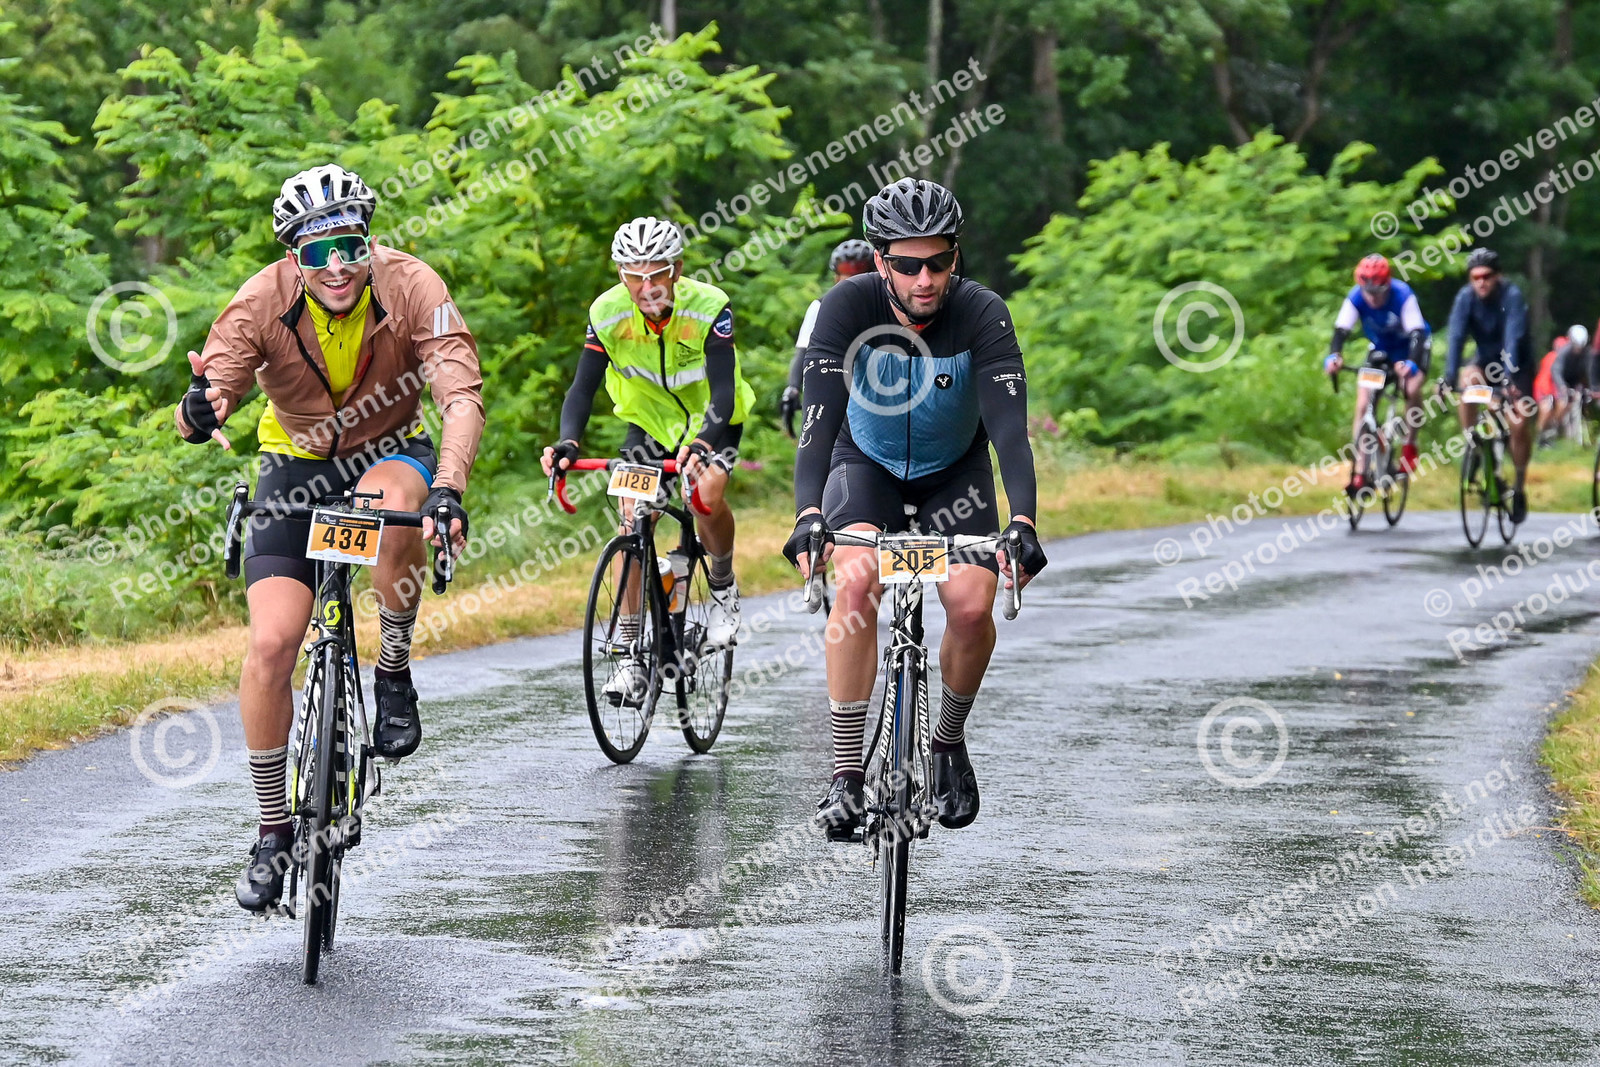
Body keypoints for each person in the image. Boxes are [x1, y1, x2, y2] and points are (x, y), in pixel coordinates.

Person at [174, 163, 482, 912]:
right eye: (318, 253)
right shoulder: (261, 299)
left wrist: (448, 488)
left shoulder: (413, 286)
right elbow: (212, 390)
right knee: (272, 644)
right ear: (294, 257)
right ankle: (272, 830)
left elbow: (460, 394)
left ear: (369, 242)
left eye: (350, 247)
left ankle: (393, 668)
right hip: (296, 465)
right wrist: (200, 410)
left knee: (390, 506)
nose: (337, 267)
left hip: (390, 451)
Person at [781, 177, 1048, 839]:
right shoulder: (846, 307)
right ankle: (846, 775)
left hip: (955, 475)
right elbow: (817, 425)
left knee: (971, 607)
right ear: (880, 261)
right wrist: (808, 514)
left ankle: (948, 742)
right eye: (907, 264)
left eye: (939, 261)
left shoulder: (983, 313)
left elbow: (1010, 432)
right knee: (855, 583)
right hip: (863, 466)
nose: (925, 279)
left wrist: (1022, 520)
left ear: (956, 256)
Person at [541, 217, 756, 700]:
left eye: (657, 273)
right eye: (634, 276)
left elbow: (724, 389)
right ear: (620, 275)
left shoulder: (709, 306)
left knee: (704, 497)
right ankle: (631, 654)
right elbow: (582, 388)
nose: (646, 286)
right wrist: (568, 443)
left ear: (676, 269)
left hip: (712, 420)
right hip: (650, 425)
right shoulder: (606, 312)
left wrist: (703, 443)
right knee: (631, 517)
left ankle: (722, 587)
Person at [1322, 254, 1431, 493]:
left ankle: (1410, 445)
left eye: (1377, 292)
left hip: (1411, 348)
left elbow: (1417, 333)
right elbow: (1340, 331)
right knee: (1363, 405)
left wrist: (1411, 364)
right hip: (1382, 349)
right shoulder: (1355, 297)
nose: (1372, 298)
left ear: (1387, 285)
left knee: (1410, 388)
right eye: (1367, 292)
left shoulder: (1402, 295)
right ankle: (1360, 473)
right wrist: (1334, 356)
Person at [1442, 247, 1535, 523]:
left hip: (1517, 365)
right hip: (1484, 362)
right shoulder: (1465, 298)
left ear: (1498, 276)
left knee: (1519, 423)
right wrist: (1448, 376)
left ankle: (1519, 486)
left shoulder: (1511, 296)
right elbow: (1456, 337)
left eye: (1487, 276)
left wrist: (1508, 378)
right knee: (1467, 381)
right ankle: (1473, 442)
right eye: (1475, 277)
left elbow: (1513, 338)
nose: (1481, 282)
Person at [780, 239, 876, 436]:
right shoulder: (821, 307)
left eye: (860, 276)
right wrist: (792, 388)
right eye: (847, 277)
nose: (853, 284)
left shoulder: (891, 307)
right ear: (836, 278)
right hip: (838, 392)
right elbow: (803, 351)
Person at [1535, 325, 1592, 443]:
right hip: (1548, 385)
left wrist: (1588, 387)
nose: (1578, 350)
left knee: (1571, 404)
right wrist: (1561, 387)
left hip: (1567, 383)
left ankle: (1564, 434)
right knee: (1551, 407)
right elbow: (1553, 373)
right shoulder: (1557, 356)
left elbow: (1587, 372)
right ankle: (1541, 436)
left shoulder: (1585, 354)